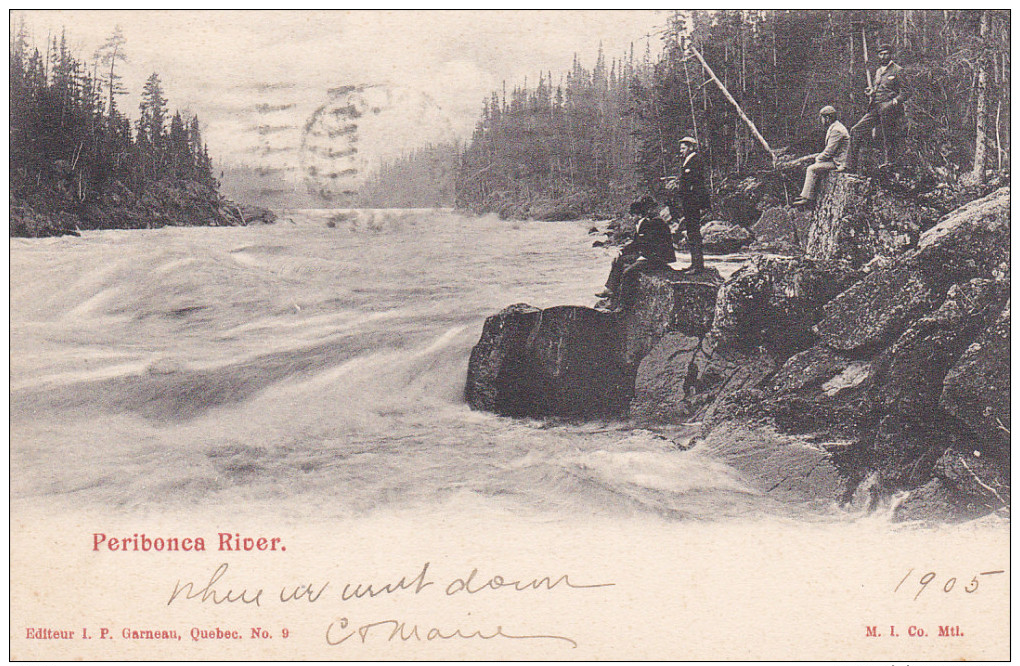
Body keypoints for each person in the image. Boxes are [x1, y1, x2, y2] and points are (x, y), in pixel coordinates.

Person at [596, 196, 675, 300]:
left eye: (649, 209)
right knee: (621, 261)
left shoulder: (655, 223)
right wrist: (622, 252)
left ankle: (622, 301)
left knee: (628, 272)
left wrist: (642, 257)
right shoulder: (651, 222)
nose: (648, 212)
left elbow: (651, 245)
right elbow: (639, 243)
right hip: (651, 256)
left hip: (658, 258)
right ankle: (610, 291)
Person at [847, 43, 909, 172]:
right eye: (881, 54)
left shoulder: (898, 70)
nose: (883, 56)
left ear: (890, 55)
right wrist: (872, 91)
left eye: (886, 53)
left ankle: (890, 164)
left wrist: (893, 102)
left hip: (890, 110)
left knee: (888, 137)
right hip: (876, 107)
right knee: (855, 130)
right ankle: (850, 165)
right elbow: (880, 88)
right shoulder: (879, 71)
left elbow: (907, 92)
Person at [665, 137, 709, 273]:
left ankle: (698, 266)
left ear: (691, 148)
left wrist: (700, 204)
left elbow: (697, 184)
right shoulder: (688, 161)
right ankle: (694, 264)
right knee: (692, 233)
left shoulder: (696, 160)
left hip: (693, 203)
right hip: (690, 203)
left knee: (694, 234)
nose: (681, 151)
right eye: (681, 148)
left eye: (683, 148)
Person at [792, 106, 849, 207]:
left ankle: (807, 198)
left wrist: (818, 159)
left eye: (822, 118)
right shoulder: (835, 127)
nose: (821, 120)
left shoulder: (837, 130)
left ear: (827, 118)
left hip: (839, 162)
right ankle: (806, 194)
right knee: (814, 166)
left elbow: (829, 152)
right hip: (836, 159)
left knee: (811, 168)